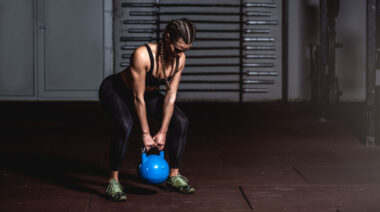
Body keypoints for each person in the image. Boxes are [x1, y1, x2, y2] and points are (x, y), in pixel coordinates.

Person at [98, 18, 196, 201]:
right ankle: (113, 180)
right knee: (125, 125)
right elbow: (138, 98)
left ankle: (174, 176)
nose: (180, 54)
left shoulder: (180, 59)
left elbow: (170, 96)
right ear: (167, 38)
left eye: (185, 50)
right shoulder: (142, 55)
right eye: (178, 48)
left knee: (181, 121)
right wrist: (146, 133)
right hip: (116, 91)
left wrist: (163, 131)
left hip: (146, 96)